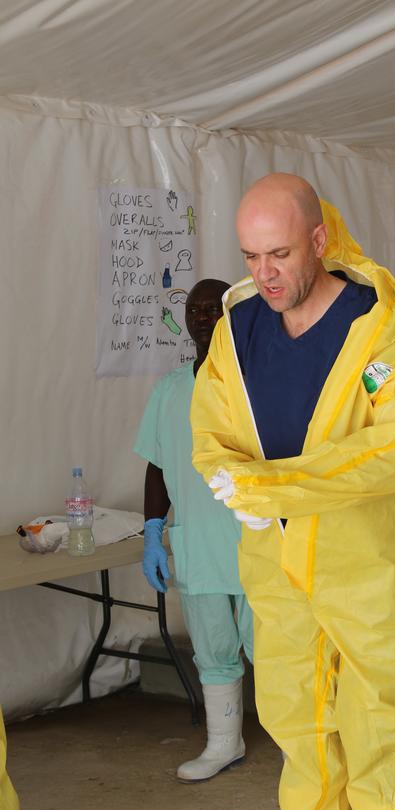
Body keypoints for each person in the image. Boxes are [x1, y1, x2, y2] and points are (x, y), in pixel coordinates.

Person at [191, 174, 395, 810]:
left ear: (321, 238)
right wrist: (234, 484)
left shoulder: (379, 327)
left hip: (364, 558)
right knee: (296, 718)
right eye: (251, 255)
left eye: (281, 253)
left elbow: (390, 449)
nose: (265, 272)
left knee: (379, 719)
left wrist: (275, 487)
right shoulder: (237, 330)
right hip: (276, 558)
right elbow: (212, 427)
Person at [134, 279, 253, 782]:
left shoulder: (255, 382)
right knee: (212, 650)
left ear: (233, 315)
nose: (202, 316)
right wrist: (153, 528)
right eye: (194, 308)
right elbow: (157, 466)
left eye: (213, 307)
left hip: (256, 541)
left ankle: (305, 749)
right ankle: (224, 742)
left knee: (277, 650)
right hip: (198, 545)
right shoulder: (171, 388)